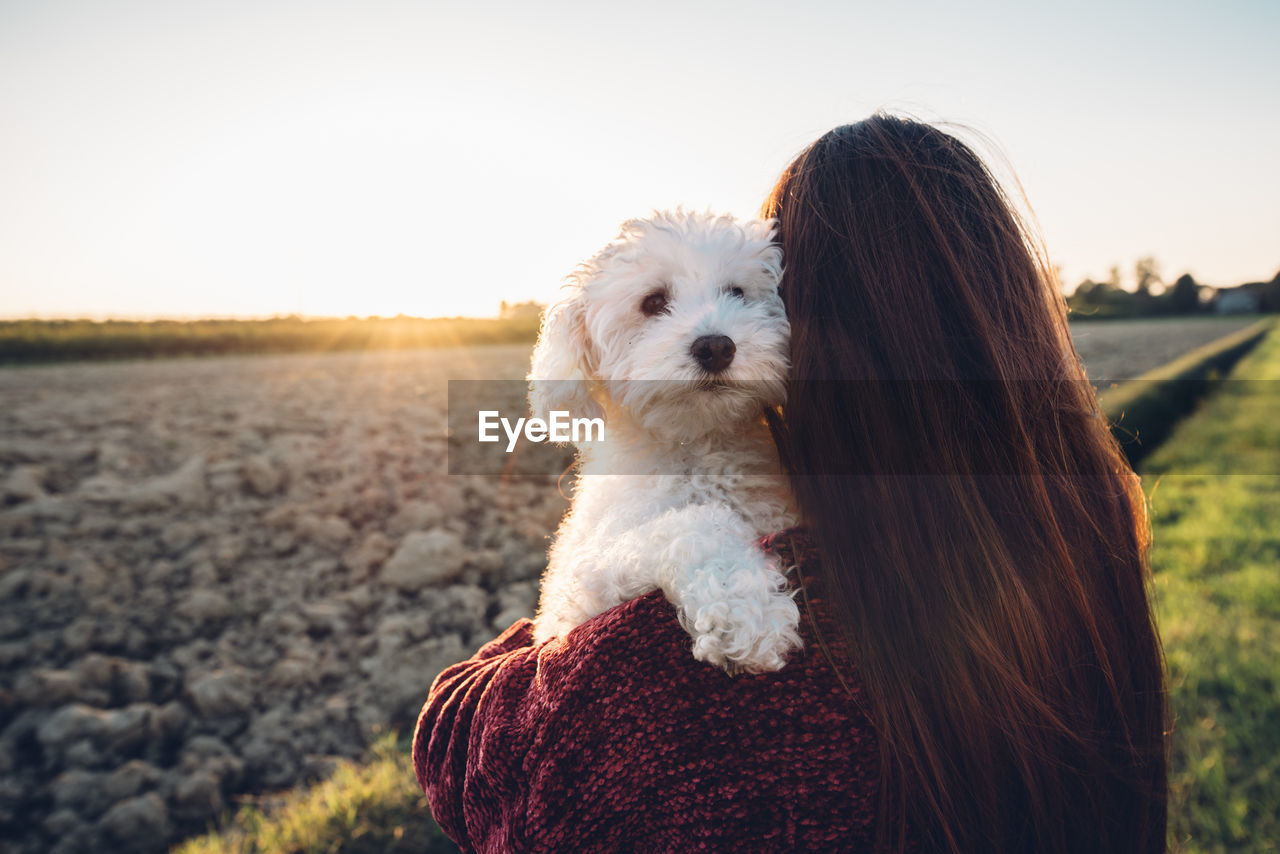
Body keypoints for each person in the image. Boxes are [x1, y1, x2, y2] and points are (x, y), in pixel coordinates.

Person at [413, 114, 1169, 853]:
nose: (712, 331)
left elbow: (479, 749)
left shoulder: (666, 685)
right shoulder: (1086, 536)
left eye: (746, 295)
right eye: (654, 305)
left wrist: (513, 662)